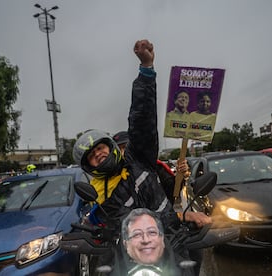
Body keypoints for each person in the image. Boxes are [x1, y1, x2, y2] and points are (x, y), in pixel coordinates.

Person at [73, 39, 194, 275]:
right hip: (130, 260)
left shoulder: (138, 159)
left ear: (111, 147)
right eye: (92, 156)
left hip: (171, 244)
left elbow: (141, 119)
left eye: (101, 148)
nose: (99, 154)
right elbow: (101, 226)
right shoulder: (98, 194)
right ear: (89, 166)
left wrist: (146, 70)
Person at [113, 130, 211, 276]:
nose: (125, 152)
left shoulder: (156, 168)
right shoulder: (112, 179)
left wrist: (181, 175)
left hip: (166, 233)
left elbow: (173, 194)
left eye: (128, 147)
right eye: (120, 149)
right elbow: (108, 213)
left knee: (193, 254)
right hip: (130, 240)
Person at [113, 208, 183, 275]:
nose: (146, 240)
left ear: (162, 239)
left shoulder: (181, 267)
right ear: (125, 244)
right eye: (137, 234)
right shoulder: (113, 266)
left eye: (152, 232)